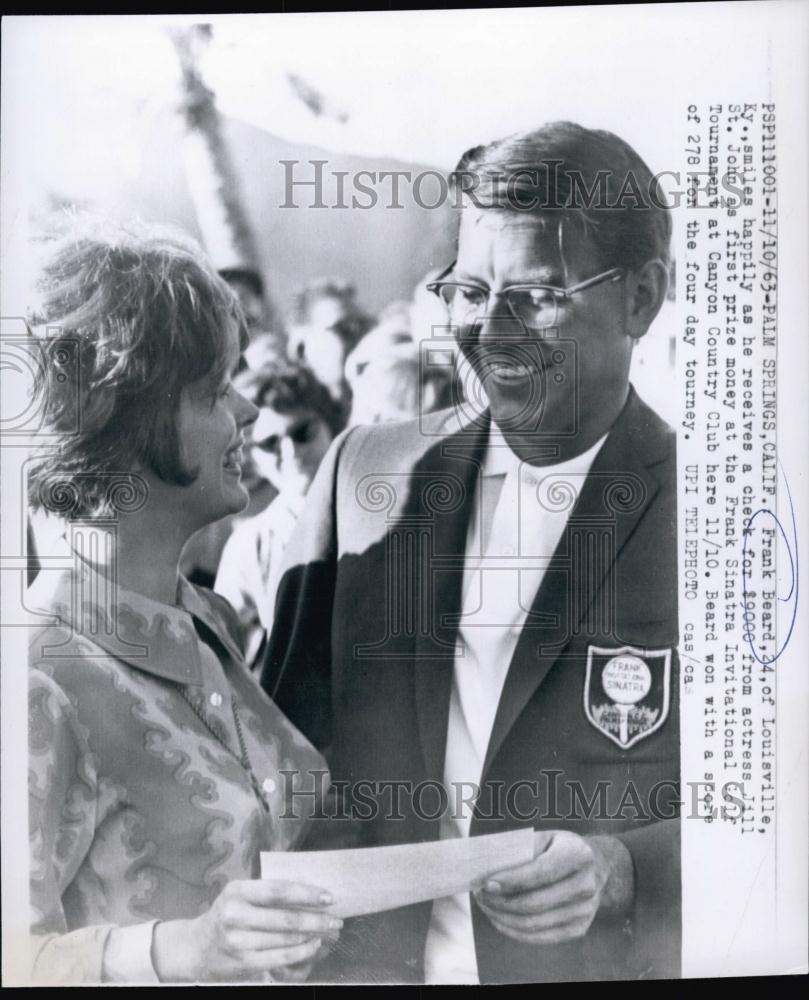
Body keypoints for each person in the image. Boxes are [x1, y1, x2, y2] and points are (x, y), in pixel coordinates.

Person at [262, 121, 680, 984]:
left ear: (642, 297)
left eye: (538, 296)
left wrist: (626, 869)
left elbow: (779, 806)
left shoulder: (715, 514)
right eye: (467, 292)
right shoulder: (363, 474)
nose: (493, 332)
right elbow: (283, 754)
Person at [25, 221, 341, 984]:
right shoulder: (36, 678)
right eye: (213, 389)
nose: (248, 411)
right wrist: (185, 949)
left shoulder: (202, 619)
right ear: (121, 423)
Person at [214, 362, 341, 670]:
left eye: (303, 433)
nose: (291, 451)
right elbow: (222, 653)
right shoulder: (251, 544)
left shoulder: (378, 509)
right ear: (251, 455)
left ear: (329, 426)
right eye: (270, 443)